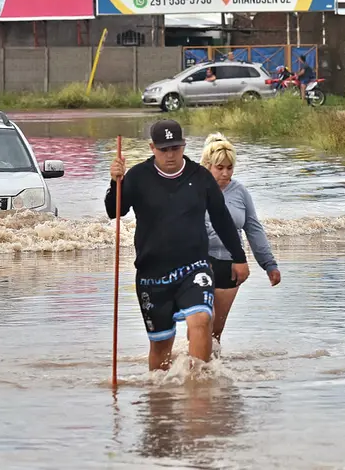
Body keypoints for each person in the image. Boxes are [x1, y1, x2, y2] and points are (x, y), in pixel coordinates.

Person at [105, 119, 250, 371]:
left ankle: (199, 386)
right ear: (152, 147)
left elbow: (222, 219)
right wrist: (116, 182)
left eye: (175, 148)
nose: (170, 155)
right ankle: (160, 398)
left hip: (194, 267)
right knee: (161, 352)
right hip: (152, 274)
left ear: (184, 146)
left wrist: (239, 258)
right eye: (164, 149)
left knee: (202, 319)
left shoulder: (200, 177)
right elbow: (113, 211)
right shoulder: (138, 177)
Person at [199, 133, 282, 345]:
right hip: (199, 263)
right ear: (208, 165)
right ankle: (188, 369)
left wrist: (268, 264)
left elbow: (253, 229)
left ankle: (211, 373)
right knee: (200, 324)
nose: (225, 173)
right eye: (220, 168)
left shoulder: (240, 192)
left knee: (215, 331)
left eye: (230, 168)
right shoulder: (194, 190)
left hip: (230, 264)